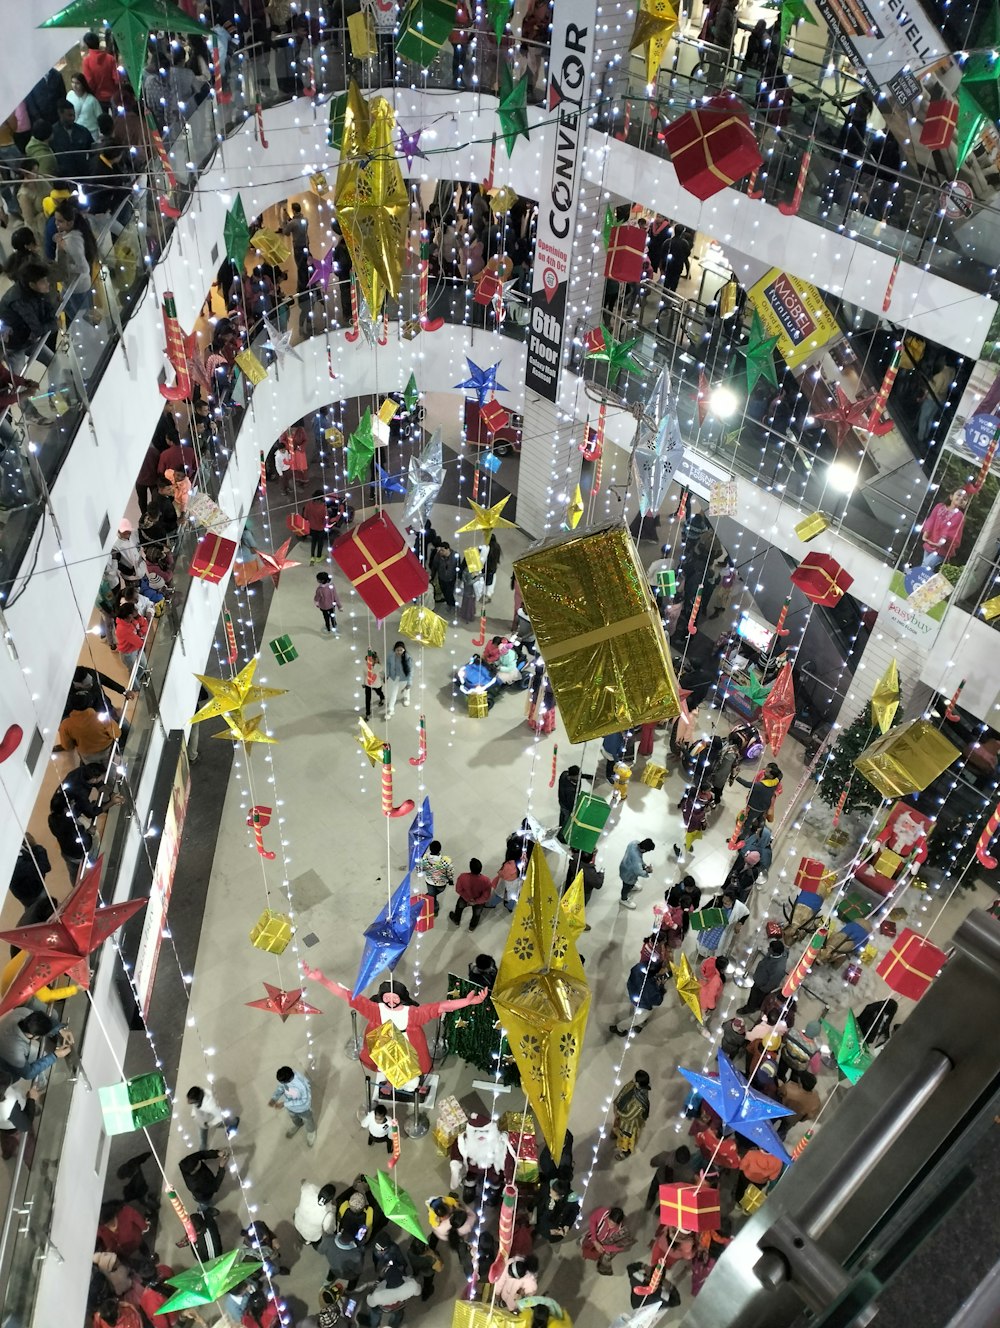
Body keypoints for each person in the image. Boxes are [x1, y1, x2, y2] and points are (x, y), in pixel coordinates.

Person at [0, 260, 59, 355]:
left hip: (29, 338)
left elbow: (50, 312)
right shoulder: (18, 300)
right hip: (15, 345)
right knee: (18, 369)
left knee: (54, 361)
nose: (47, 284)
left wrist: (51, 323)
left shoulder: (39, 290)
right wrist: (52, 324)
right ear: (32, 285)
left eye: (46, 280)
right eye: (43, 282)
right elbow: (38, 329)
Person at [53, 199, 98, 322]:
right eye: (56, 220)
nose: (56, 224)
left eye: (60, 221)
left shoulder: (72, 240)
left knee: (82, 319)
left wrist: (65, 266)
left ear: (70, 222)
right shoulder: (71, 234)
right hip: (73, 285)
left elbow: (84, 268)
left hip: (77, 288)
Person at [0, 1007, 69, 1081]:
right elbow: (28, 1074)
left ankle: (47, 1074)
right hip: (6, 1065)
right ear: (33, 1035)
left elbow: (41, 1021)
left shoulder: (23, 1012)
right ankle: (44, 1081)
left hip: (11, 1045)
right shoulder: (16, 1053)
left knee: (41, 1057)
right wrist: (55, 1055)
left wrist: (59, 1029)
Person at [610, 955, 669, 1035]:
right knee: (638, 1018)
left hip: (633, 992)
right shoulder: (652, 990)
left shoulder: (639, 968)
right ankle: (619, 1028)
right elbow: (658, 1001)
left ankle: (640, 1024)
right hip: (642, 1004)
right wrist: (661, 988)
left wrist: (658, 965)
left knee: (638, 1008)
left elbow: (643, 967)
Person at [920, 487, 969, 568]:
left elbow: (950, 531)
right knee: (926, 567)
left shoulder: (959, 516)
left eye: (964, 499)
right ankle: (922, 580)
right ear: (951, 496)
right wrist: (926, 533)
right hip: (930, 542)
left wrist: (941, 542)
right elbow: (931, 520)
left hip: (942, 549)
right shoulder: (939, 506)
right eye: (959, 495)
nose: (961, 498)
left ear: (965, 504)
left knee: (926, 565)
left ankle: (916, 580)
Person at [738, 938, 788, 1016]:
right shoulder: (779, 953)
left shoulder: (778, 968)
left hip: (761, 986)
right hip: (760, 978)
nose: (768, 949)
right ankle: (757, 1005)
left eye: (770, 949)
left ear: (774, 952)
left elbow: (773, 982)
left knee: (754, 998)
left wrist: (763, 989)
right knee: (759, 999)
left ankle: (749, 1008)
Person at [269, 1065, 317, 1146]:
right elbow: (281, 1087)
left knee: (308, 1120)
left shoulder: (301, 1085)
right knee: (294, 1118)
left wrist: (284, 1104)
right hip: (291, 1107)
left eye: (282, 1082)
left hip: (303, 1108)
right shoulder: (285, 1078)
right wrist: (274, 1098)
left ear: (289, 1080)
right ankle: (298, 1124)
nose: (281, 1083)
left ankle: (311, 1132)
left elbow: (303, 1100)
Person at [581, 1205, 633, 1275]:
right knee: (586, 1245)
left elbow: (620, 1247)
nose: (610, 1226)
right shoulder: (602, 1212)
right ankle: (585, 1254)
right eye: (609, 1222)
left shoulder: (622, 1231)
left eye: (613, 1225)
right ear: (608, 1216)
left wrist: (603, 1248)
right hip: (594, 1236)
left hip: (605, 1245)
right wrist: (594, 1240)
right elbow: (592, 1221)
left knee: (598, 1255)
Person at [50, 99, 94, 182]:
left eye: (74, 115)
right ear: (60, 113)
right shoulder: (52, 134)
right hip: (64, 179)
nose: (73, 118)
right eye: (69, 115)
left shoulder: (83, 131)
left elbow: (93, 150)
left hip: (83, 176)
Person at [612, 1071, 651, 1160]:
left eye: (635, 1079)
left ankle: (625, 1152)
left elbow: (629, 1116)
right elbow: (624, 1091)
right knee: (618, 1130)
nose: (633, 1079)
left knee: (625, 1139)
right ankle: (616, 1135)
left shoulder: (639, 1103)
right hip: (622, 1117)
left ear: (639, 1084)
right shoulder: (634, 1086)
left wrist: (618, 1112)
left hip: (628, 1125)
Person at [187, 1084, 238, 1151]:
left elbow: (220, 1116)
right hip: (202, 1119)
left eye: (190, 1100)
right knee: (203, 1135)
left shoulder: (211, 1106)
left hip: (208, 1120)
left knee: (221, 1124)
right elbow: (195, 1106)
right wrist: (193, 1114)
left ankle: (234, 1121)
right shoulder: (199, 1093)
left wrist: (209, 1124)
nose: (188, 1102)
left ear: (197, 1099)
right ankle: (203, 1147)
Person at [177, 1147, 229, 1212]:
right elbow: (215, 1186)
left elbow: (201, 1154)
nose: (200, 1162)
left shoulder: (187, 1162)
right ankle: (204, 1209)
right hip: (204, 1197)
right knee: (207, 1203)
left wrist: (217, 1153)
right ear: (194, 1170)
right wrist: (221, 1167)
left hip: (202, 1188)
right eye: (198, 1164)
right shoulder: (197, 1184)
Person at [450, 857, 493, 930]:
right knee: (476, 914)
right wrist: (475, 901)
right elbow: (486, 896)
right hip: (478, 902)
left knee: (459, 909)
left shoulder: (462, 877)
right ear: (481, 868)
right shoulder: (486, 881)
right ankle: (472, 927)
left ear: (470, 868)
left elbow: (458, 890)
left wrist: (468, 899)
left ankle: (456, 921)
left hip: (465, 898)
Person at [293, 1180, 337, 1245]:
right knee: (309, 1235)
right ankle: (307, 1241)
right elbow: (330, 1230)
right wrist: (334, 1210)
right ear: (331, 1199)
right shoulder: (328, 1213)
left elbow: (303, 1182)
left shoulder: (309, 1190)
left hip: (297, 1221)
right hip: (310, 1234)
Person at [82, 33, 120, 107]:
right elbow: (116, 79)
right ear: (98, 42)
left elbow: (90, 82)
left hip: (98, 98)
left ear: (87, 45)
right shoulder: (110, 58)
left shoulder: (86, 61)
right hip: (113, 96)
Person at [418, 840, 454, 915]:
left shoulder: (424, 858)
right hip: (441, 883)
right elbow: (450, 872)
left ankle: (431, 900)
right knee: (434, 895)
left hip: (429, 881)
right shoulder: (446, 860)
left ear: (430, 849)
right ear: (440, 849)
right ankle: (435, 908)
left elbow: (419, 870)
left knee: (432, 895)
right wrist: (450, 880)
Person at [619, 837, 654, 909]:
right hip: (628, 876)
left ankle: (631, 887)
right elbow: (639, 871)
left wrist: (644, 865)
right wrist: (647, 871)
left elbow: (639, 861)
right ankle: (623, 899)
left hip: (624, 866)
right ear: (644, 850)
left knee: (628, 884)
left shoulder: (634, 843)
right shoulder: (636, 859)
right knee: (626, 887)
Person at [557, 764, 591, 837]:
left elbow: (578, 775)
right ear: (572, 776)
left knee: (562, 816)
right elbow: (571, 804)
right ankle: (561, 836)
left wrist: (589, 777)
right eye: (577, 776)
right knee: (566, 819)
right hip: (566, 805)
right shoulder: (570, 790)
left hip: (562, 801)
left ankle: (560, 828)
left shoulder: (565, 774)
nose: (579, 777)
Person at [67, 72, 102, 138]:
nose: (74, 85)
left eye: (77, 83)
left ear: (83, 84)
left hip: (91, 132)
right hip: (76, 132)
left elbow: (99, 116)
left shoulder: (92, 100)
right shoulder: (70, 95)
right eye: (72, 82)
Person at [384, 641, 412, 718]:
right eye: (397, 650)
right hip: (395, 677)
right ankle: (391, 709)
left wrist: (409, 682)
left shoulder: (408, 657)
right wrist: (386, 675)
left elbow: (410, 671)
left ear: (404, 650)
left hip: (404, 677)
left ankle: (406, 698)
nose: (399, 652)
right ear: (394, 649)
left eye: (401, 650)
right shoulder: (390, 656)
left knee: (406, 689)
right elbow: (387, 665)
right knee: (393, 693)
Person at [303, 489, 331, 563]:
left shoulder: (308, 504)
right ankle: (319, 556)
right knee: (320, 542)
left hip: (311, 527)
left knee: (313, 541)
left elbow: (305, 516)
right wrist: (326, 525)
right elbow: (325, 519)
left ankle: (312, 556)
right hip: (320, 528)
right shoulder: (323, 508)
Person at [430, 542, 458, 607]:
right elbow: (434, 566)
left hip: (451, 578)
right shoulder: (438, 556)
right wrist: (432, 576)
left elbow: (457, 566)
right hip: (442, 577)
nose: (441, 552)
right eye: (440, 550)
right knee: (444, 591)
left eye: (443, 550)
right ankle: (449, 603)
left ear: (448, 549)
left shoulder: (455, 555)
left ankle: (452, 604)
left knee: (449, 592)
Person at [314, 571, 341, 636]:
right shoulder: (332, 586)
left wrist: (316, 603)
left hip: (324, 607)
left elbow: (317, 597)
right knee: (333, 616)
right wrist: (339, 605)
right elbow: (335, 596)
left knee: (326, 617)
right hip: (332, 605)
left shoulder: (320, 589)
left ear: (322, 580)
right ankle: (334, 626)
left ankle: (328, 628)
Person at [363, 649, 385, 720]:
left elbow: (381, 673)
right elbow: (364, 675)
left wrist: (384, 678)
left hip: (377, 684)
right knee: (367, 699)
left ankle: (382, 698)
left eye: (370, 660)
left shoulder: (378, 666)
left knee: (379, 692)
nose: (368, 661)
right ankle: (367, 714)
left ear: (375, 660)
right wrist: (364, 683)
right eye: (367, 660)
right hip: (368, 684)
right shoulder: (365, 666)